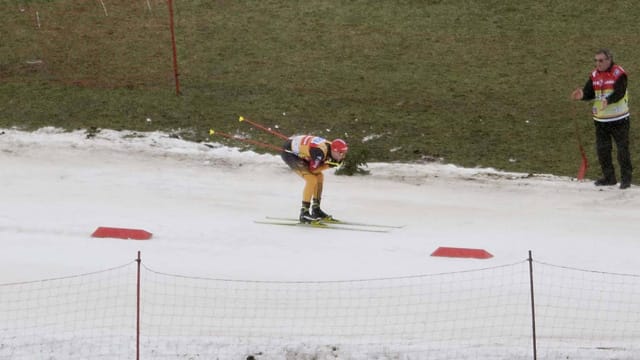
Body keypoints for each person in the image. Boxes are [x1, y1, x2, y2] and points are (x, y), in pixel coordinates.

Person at [571, 48, 632, 189]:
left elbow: (620, 92)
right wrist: (581, 95)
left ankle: (626, 179)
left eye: (601, 60)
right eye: (596, 60)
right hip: (601, 121)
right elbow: (589, 92)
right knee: (603, 150)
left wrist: (608, 100)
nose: (597, 63)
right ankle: (609, 178)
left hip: (619, 120)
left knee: (622, 150)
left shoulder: (619, 73)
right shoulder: (594, 75)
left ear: (609, 60)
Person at [281, 135, 349, 223]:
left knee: (320, 177)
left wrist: (328, 164)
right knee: (311, 179)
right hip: (290, 153)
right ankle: (304, 212)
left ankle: (316, 209)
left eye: (344, 153)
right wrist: (328, 165)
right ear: (334, 151)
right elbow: (313, 169)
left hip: (298, 147)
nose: (342, 156)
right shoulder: (319, 152)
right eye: (340, 153)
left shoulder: (330, 148)